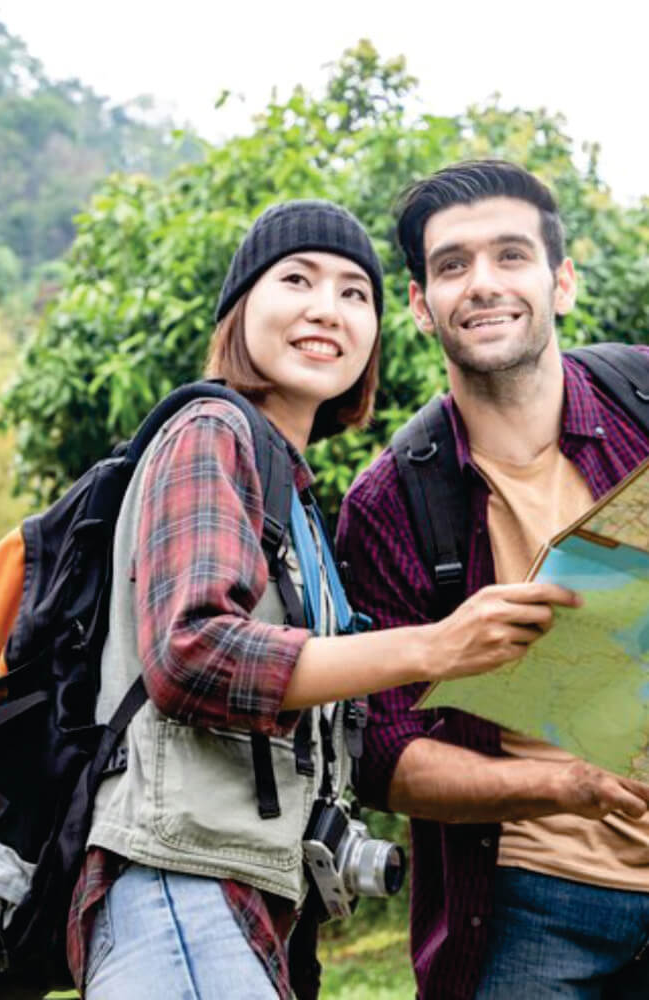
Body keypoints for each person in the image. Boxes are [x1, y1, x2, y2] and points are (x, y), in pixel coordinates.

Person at [66, 198, 580, 1000]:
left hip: (249, 900)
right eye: (296, 280)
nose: (325, 309)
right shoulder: (211, 431)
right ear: (241, 310)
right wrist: (436, 646)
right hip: (180, 879)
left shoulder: (293, 494)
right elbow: (192, 652)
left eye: (353, 293)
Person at [337, 161, 649, 1000]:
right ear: (418, 303)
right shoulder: (392, 500)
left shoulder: (642, 400)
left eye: (511, 256)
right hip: (531, 904)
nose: (483, 284)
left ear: (562, 282)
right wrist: (568, 787)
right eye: (451, 265)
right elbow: (384, 757)